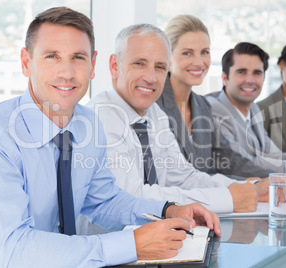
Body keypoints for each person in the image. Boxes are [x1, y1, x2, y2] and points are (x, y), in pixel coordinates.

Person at [0, 7, 221, 267]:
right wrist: (132, 244)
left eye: (78, 57)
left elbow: (103, 201)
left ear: (92, 65)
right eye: (52, 56)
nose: (67, 73)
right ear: (26, 63)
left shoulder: (87, 123)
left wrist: (168, 210)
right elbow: (16, 251)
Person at [85, 23, 269, 219]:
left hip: (158, 238)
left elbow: (183, 176)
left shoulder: (154, 113)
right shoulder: (102, 117)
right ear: (115, 66)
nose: (151, 77)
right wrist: (226, 198)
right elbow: (133, 197)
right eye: (139, 63)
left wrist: (245, 188)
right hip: (113, 241)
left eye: (160, 67)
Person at [156, 14, 275, 179]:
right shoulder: (153, 104)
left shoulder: (202, 105)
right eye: (187, 53)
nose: (199, 62)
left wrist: (276, 178)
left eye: (204, 52)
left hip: (207, 200)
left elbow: (229, 161)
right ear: (168, 57)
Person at [205, 42, 286, 183]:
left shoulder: (253, 109)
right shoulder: (213, 109)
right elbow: (246, 163)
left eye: (257, 73)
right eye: (241, 72)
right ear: (224, 78)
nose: (250, 80)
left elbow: (274, 155)